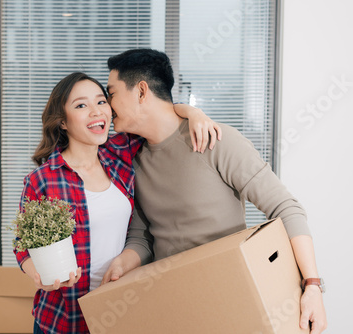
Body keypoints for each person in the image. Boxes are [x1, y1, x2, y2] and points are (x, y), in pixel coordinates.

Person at [102, 49, 327, 333]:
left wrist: (313, 286)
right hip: (172, 307)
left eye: (111, 93)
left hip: (231, 300)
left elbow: (285, 208)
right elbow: (143, 235)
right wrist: (123, 263)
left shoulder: (216, 141)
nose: (107, 106)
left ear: (141, 91)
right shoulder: (133, 160)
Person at [14, 72, 221, 334]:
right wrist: (40, 276)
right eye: (81, 105)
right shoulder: (43, 178)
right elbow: (23, 245)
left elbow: (160, 114)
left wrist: (195, 113)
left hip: (119, 311)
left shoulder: (119, 153)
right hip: (63, 318)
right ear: (63, 122)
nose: (95, 112)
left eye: (101, 102)